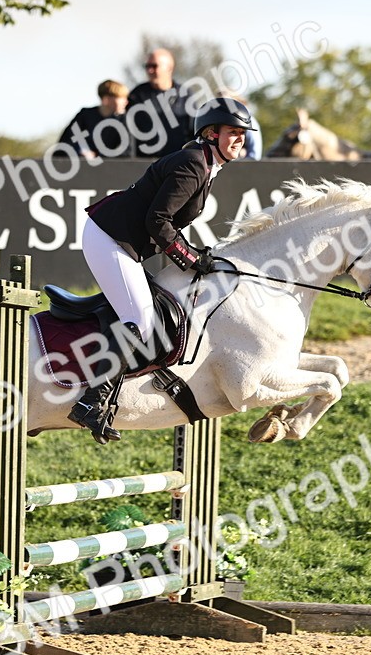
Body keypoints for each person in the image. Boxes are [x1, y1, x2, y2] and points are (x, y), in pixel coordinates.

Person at [69, 97, 257, 444]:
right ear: (211, 133)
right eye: (233, 133)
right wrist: (190, 258)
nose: (239, 140)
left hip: (122, 239)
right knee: (140, 319)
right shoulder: (192, 163)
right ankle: (91, 401)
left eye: (242, 134)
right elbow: (157, 221)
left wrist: (194, 255)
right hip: (109, 238)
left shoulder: (204, 163)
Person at [126, 48, 195, 159]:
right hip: (145, 164)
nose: (150, 71)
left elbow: (193, 131)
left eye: (154, 66)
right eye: (147, 66)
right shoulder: (137, 95)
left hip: (176, 163)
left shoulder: (185, 95)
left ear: (169, 68)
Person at [57, 79, 130, 158]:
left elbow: (127, 152)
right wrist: (80, 152)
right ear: (106, 100)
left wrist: (96, 155)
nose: (126, 102)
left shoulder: (124, 121)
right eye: (121, 98)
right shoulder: (84, 116)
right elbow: (65, 143)